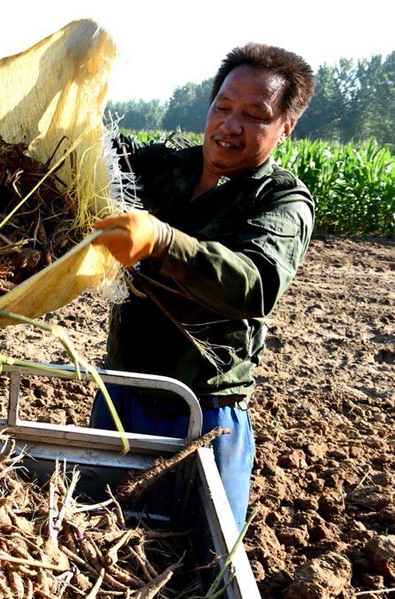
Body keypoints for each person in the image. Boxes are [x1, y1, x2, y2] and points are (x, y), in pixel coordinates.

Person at [89, 43, 316, 532]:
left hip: (201, 415)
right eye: (224, 107)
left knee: (199, 559)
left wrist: (165, 241)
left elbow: (254, 285)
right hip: (121, 394)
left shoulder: (280, 200)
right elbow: (86, 151)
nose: (231, 125)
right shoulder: (167, 169)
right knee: (91, 535)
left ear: (286, 126)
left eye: (255, 115)